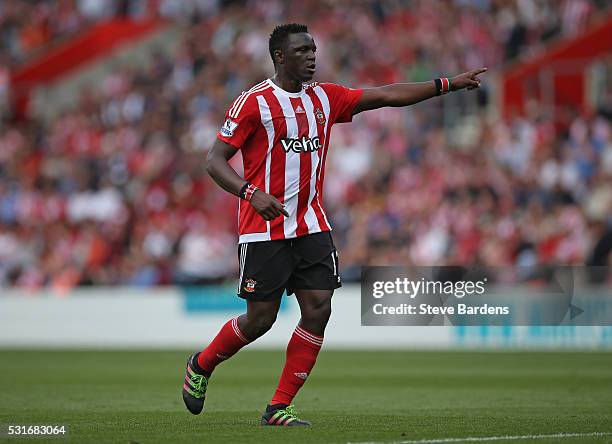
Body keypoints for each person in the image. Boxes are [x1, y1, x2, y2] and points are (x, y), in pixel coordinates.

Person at [182, 23, 486, 426]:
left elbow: (385, 95)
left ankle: (279, 406)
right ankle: (201, 365)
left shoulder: (325, 98)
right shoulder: (253, 103)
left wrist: (445, 84)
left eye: (313, 49)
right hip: (263, 228)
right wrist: (251, 193)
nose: (311, 56)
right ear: (279, 57)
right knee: (260, 320)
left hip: (311, 225)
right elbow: (214, 160)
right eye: (302, 51)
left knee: (319, 308)